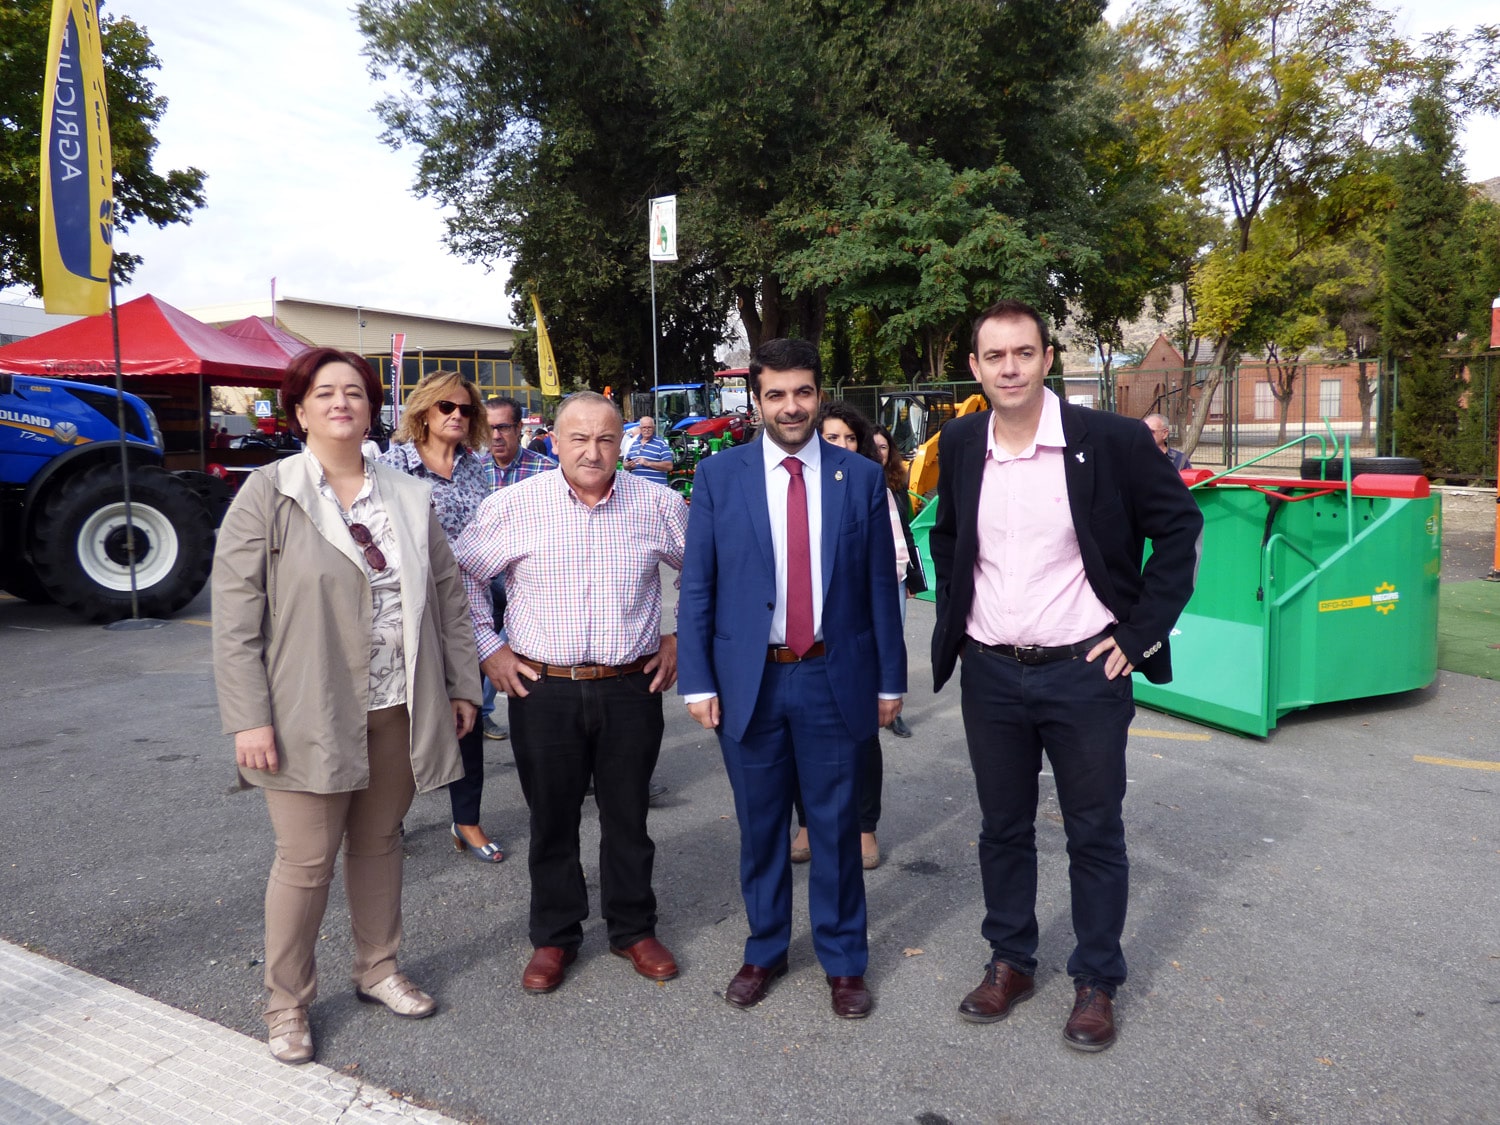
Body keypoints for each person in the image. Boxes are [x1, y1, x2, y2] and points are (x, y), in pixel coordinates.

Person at [929, 299, 1202, 1053]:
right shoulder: (961, 441)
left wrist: (1139, 634)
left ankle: (1096, 980)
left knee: (1094, 831)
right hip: (991, 671)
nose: (1010, 367)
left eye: (1024, 352)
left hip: (1084, 671)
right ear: (976, 367)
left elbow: (1179, 528)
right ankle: (1010, 960)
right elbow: (948, 534)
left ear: (1047, 358)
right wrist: (960, 613)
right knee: (1002, 828)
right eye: (994, 356)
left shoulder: (1109, 441)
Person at [212, 347, 481, 1065]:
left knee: (380, 840)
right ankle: (286, 1003)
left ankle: (378, 968)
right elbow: (235, 619)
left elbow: (449, 598)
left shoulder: (408, 495)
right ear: (299, 410)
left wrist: (462, 686)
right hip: (306, 709)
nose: (341, 402)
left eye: (355, 392)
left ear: (372, 410)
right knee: (305, 861)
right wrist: (248, 717)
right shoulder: (269, 492)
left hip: (399, 701)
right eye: (325, 392)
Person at [678, 338, 906, 1020]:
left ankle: (844, 959)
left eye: (803, 392)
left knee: (835, 829)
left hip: (833, 675)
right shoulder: (719, 476)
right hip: (749, 681)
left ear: (819, 394)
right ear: (757, 400)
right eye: (775, 394)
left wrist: (890, 680)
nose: (791, 406)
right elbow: (698, 586)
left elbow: (879, 587)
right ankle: (765, 948)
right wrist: (698, 681)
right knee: (761, 826)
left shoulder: (858, 477)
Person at [452, 391, 687, 995]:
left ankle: (633, 928)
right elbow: (462, 576)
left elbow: (707, 573)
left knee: (628, 817)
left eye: (606, 439)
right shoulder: (514, 505)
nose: (592, 451)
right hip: (543, 689)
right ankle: (555, 935)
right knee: (551, 820)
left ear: (621, 444)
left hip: (630, 686)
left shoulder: (658, 504)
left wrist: (681, 638)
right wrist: (490, 648)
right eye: (578, 438)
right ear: (554, 442)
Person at [379, 371, 504, 865]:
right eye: (446, 407)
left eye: (466, 409)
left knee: (464, 709)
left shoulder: (476, 467)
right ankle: (385, 817)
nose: (457, 415)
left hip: (464, 607)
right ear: (424, 411)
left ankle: (465, 819)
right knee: (398, 717)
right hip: (406, 609)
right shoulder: (393, 465)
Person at [785, 402, 908, 873]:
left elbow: (892, 566)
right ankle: (807, 822)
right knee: (798, 741)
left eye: (849, 438)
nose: (841, 445)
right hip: (802, 646)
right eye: (831, 437)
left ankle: (863, 825)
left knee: (860, 737)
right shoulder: (796, 486)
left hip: (855, 635)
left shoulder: (870, 486)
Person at [479, 396, 559, 741]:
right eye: (489, 428)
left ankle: (539, 724)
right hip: (483, 579)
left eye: (503, 427)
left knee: (513, 646)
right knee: (480, 645)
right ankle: (480, 714)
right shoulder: (472, 471)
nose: (496, 436)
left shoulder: (546, 471)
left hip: (526, 580)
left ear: (518, 428)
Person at [621, 414, 674, 487]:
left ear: (654, 428)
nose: (647, 430)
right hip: (637, 489)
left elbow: (669, 466)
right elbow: (625, 464)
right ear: (640, 428)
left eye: (649, 427)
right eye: (644, 427)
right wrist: (628, 465)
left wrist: (648, 463)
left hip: (656, 489)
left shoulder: (661, 443)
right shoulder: (634, 443)